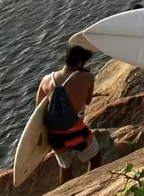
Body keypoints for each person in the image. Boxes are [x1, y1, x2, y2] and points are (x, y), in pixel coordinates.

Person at [35, 46, 101, 181]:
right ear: (81, 63)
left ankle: (66, 194)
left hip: (55, 137)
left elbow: (38, 111)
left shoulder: (46, 80)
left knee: (65, 167)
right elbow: (88, 101)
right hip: (76, 133)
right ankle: (90, 187)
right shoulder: (87, 77)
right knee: (95, 158)